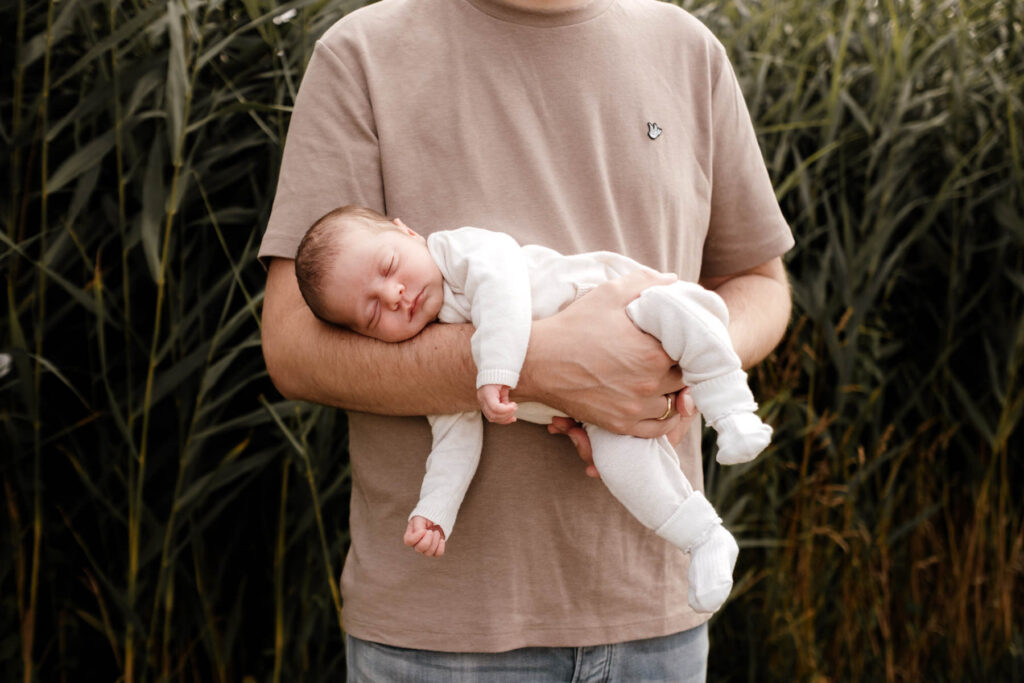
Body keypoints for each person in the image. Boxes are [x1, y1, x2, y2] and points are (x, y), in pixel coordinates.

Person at [258, 0, 794, 679]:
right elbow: (292, 348)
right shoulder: (360, 54)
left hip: (658, 615)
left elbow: (761, 285)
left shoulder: (688, 49)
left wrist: (670, 366)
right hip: (440, 636)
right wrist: (549, 364)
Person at [293, 206, 776, 614]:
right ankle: (705, 539)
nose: (394, 294)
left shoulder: (456, 251)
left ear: (406, 231)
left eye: (388, 266)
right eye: (374, 312)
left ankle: (733, 413)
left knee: (680, 316)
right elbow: (453, 444)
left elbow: (500, 281)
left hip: (627, 304)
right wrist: (434, 512)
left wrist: (498, 369)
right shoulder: (432, 345)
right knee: (620, 464)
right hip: (596, 411)